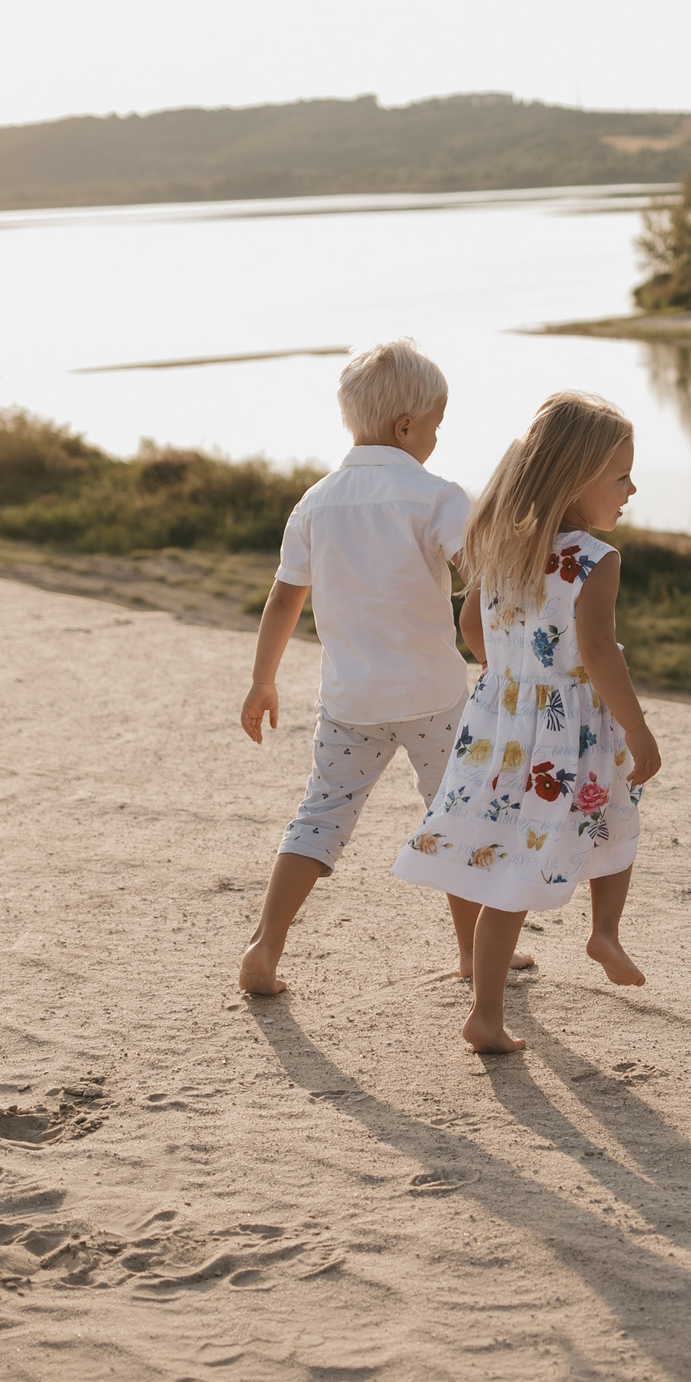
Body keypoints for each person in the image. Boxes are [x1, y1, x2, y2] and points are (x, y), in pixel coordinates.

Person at [237, 339, 528, 994]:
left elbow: (285, 596)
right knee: (454, 814)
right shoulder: (437, 496)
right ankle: (472, 954)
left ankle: (264, 946)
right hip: (433, 694)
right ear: (407, 426)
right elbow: (480, 575)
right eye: (435, 426)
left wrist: (263, 679)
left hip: (350, 700)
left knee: (319, 817)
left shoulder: (316, 501)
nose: (435, 437)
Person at [392, 391, 663, 1053]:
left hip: (502, 724)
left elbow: (468, 626)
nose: (632, 487)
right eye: (621, 475)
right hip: (576, 731)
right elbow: (598, 654)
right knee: (615, 819)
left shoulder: (498, 543)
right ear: (577, 477)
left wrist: (512, 674)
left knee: (508, 870)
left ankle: (486, 1013)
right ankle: (604, 930)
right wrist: (638, 728)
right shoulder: (595, 561)